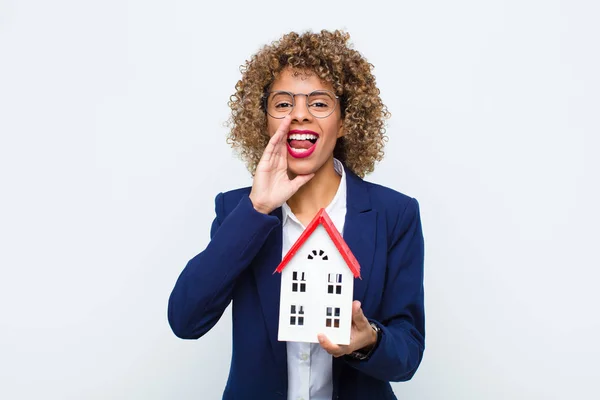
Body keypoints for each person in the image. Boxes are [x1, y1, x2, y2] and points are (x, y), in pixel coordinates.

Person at [168, 29, 425, 400]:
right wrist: (257, 209)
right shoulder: (236, 211)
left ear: (345, 120)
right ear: (265, 120)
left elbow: (409, 352)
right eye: (284, 103)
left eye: (319, 103)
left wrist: (370, 341)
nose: (300, 114)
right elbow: (185, 320)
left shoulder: (394, 214)